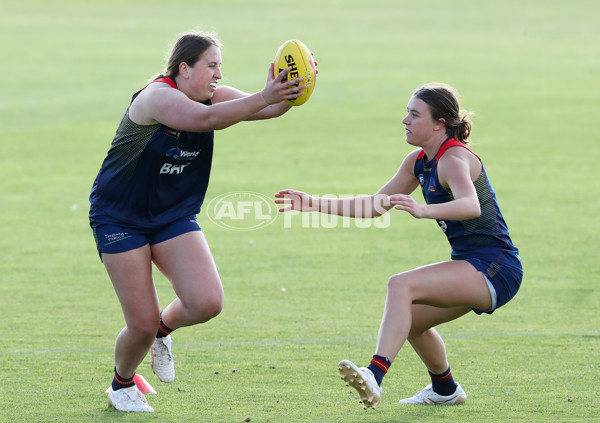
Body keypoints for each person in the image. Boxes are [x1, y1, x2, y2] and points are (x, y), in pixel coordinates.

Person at [89, 30, 310, 413]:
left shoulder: (213, 97)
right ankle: (122, 384)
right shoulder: (156, 98)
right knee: (138, 324)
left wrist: (290, 88)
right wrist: (264, 95)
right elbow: (205, 120)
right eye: (212, 66)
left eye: (220, 67)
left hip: (171, 215)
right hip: (119, 215)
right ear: (184, 68)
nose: (219, 76)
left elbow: (270, 109)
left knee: (207, 302)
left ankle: (162, 333)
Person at [275, 83, 522, 409]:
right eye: (407, 112)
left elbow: (470, 205)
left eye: (414, 114)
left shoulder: (453, 158)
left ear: (439, 124)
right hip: (472, 265)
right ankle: (445, 389)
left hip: (496, 267)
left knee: (400, 285)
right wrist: (313, 203)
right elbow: (375, 205)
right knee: (410, 320)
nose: (405, 120)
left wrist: (424, 210)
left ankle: (374, 377)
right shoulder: (418, 162)